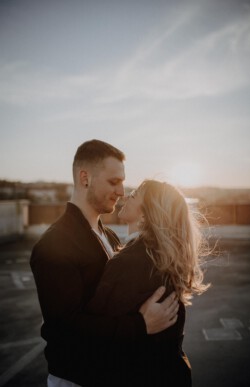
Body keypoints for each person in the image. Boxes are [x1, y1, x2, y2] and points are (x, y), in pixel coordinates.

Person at [30, 140, 179, 387]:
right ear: (85, 178)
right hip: (75, 379)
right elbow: (64, 331)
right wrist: (140, 326)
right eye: (114, 182)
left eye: (122, 182)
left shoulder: (108, 236)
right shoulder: (54, 244)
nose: (122, 191)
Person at [88, 179, 211, 386]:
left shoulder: (129, 263)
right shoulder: (162, 259)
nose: (126, 196)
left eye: (134, 195)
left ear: (146, 214)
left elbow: (94, 336)